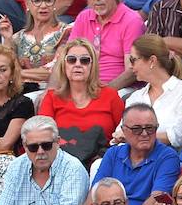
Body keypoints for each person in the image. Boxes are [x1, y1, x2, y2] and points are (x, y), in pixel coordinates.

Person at [93, 103, 182, 205]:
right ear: (124, 130)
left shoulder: (167, 157)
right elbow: (94, 194)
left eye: (150, 128)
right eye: (137, 129)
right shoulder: (113, 154)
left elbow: (155, 200)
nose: (145, 133)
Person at [37, 38, 126, 166]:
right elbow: (44, 135)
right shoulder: (52, 97)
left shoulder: (110, 95)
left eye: (84, 61)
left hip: (101, 161)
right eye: (71, 60)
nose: (77, 64)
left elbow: (123, 132)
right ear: (64, 64)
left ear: (92, 65)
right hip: (61, 162)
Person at [69, 0, 145, 87]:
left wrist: (105, 93)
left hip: (119, 89)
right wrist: (50, 90)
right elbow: (66, 59)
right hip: (80, 87)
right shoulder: (83, 17)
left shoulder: (132, 20)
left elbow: (131, 71)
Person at [0, 0, 70, 92]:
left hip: (56, 93)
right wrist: (7, 39)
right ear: (27, 4)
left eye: (48, 0)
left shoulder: (67, 31)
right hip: (22, 96)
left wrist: (16, 74)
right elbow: (5, 68)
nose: (43, 6)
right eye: (37, 1)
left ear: (54, 3)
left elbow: (57, 70)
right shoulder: (17, 37)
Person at [127, 36, 182, 152]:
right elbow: (120, 132)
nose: (130, 66)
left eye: (133, 59)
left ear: (152, 61)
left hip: (170, 156)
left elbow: (180, 135)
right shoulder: (135, 97)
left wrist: (135, 137)